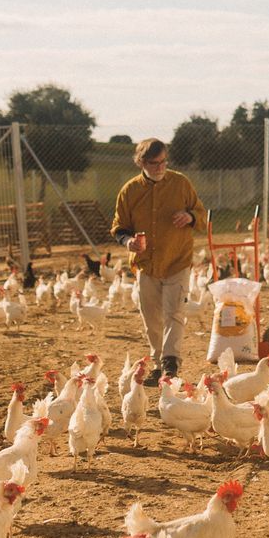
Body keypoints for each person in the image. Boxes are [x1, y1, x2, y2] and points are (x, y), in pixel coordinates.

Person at [110, 138, 206, 387]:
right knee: (150, 316)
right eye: (154, 163)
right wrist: (128, 241)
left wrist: (189, 216)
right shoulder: (129, 191)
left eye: (164, 162)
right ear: (141, 162)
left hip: (177, 259)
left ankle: (171, 364)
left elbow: (202, 216)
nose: (160, 167)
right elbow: (119, 227)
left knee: (174, 312)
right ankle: (157, 362)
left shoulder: (181, 184)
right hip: (145, 263)